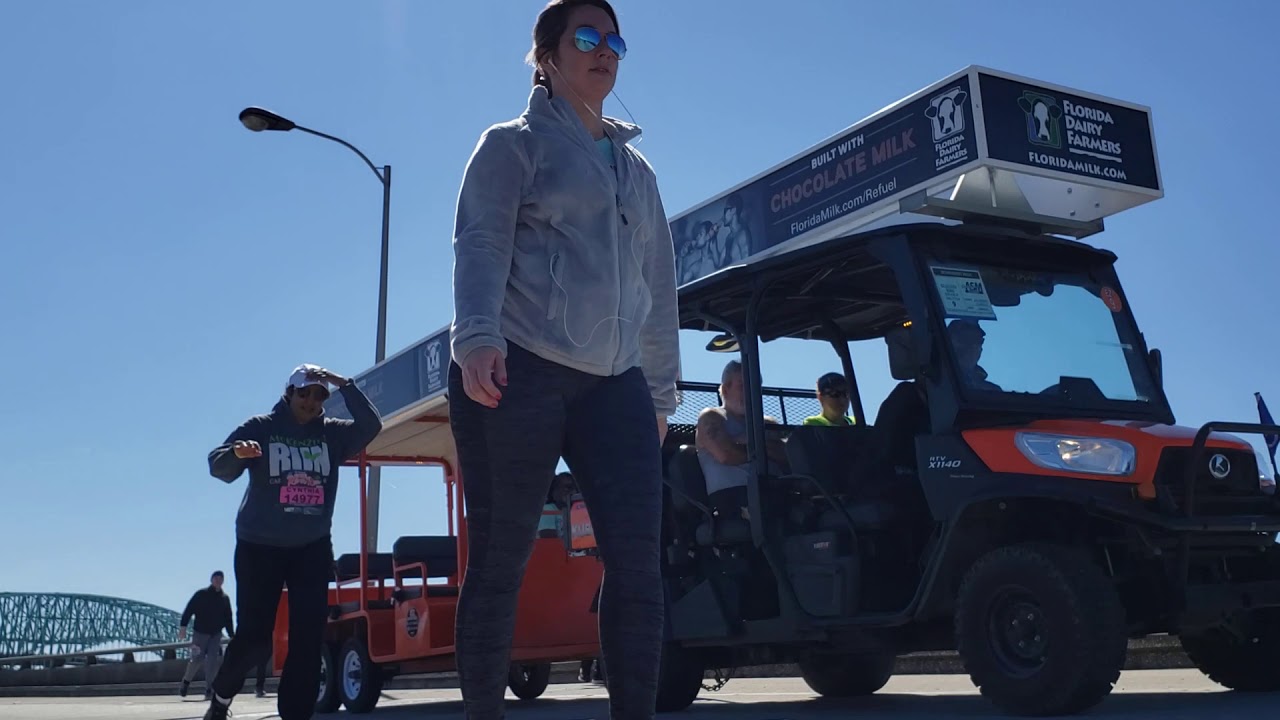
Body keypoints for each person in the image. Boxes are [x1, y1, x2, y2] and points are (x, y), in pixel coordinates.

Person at [446, 1, 680, 716]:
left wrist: (660, 395)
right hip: (521, 367)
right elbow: (481, 242)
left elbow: (658, 284)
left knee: (639, 568)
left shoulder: (637, 171)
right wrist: (476, 337)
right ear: (547, 57)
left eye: (614, 40)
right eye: (586, 37)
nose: (605, 49)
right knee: (501, 560)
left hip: (617, 385)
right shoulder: (511, 146)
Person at [200, 365, 382, 720]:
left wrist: (344, 384)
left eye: (318, 396)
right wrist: (237, 454)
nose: (310, 402)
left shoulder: (332, 434)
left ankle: (296, 714)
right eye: (304, 393)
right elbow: (217, 466)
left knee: (308, 640)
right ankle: (221, 699)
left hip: (311, 548)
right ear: (289, 393)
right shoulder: (262, 427)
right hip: (259, 546)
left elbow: (371, 426)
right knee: (255, 639)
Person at [695, 360, 787, 518]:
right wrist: (766, 449)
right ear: (726, 389)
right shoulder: (711, 418)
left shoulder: (768, 423)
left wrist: (743, 442)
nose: (751, 390)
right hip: (733, 501)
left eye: (756, 385)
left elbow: (787, 456)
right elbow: (726, 455)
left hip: (776, 494)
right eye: (743, 385)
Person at [178, 570, 234, 700]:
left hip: (215, 635)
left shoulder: (224, 598)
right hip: (200, 634)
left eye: (220, 579)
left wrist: (232, 635)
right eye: (216, 578)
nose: (218, 581)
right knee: (196, 659)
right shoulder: (201, 594)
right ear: (211, 580)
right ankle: (186, 682)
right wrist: (183, 626)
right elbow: (189, 609)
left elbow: (228, 618)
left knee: (212, 662)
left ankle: (209, 689)